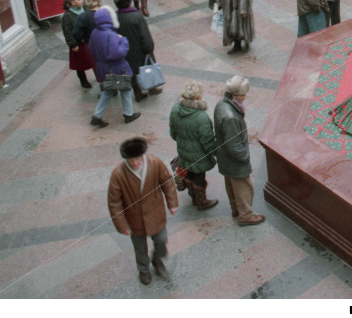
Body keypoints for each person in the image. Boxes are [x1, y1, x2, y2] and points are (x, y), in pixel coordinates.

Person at [107, 137, 177, 285]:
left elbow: (167, 182)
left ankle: (157, 259)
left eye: (137, 158)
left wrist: (172, 203)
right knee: (139, 247)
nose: (135, 162)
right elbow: (114, 203)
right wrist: (122, 225)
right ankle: (143, 269)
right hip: (134, 219)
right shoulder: (118, 174)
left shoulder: (155, 163)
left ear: (143, 155)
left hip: (155, 213)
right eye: (131, 160)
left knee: (161, 239)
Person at [213, 75, 265, 225]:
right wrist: (244, 158)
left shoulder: (221, 105)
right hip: (235, 160)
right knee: (243, 187)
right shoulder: (231, 117)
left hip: (224, 157)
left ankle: (236, 209)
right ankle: (246, 216)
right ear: (234, 95)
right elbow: (234, 146)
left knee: (230, 183)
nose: (245, 97)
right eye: (243, 94)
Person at [169, 82, 219, 211]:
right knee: (199, 176)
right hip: (199, 154)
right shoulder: (201, 117)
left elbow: (173, 132)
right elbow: (207, 141)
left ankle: (193, 197)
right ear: (198, 96)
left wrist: (183, 143)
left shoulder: (175, 109)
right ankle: (202, 201)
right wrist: (215, 152)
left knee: (189, 172)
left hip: (183, 150)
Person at [89, 6, 140, 127]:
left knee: (108, 90)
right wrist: (123, 41)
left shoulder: (95, 33)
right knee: (126, 89)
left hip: (103, 67)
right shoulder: (110, 35)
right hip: (116, 67)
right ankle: (128, 114)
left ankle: (97, 115)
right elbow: (117, 53)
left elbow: (92, 49)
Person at [114, 0, 158, 102]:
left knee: (132, 71)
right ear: (129, 2)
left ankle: (137, 92)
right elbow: (145, 35)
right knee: (148, 68)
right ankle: (152, 88)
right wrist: (149, 48)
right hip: (140, 50)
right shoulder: (136, 16)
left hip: (125, 51)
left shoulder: (115, 17)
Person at [62, 0, 95, 91]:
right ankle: (83, 80)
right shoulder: (67, 16)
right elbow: (67, 32)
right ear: (72, 2)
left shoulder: (84, 8)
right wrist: (73, 44)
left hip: (89, 40)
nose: (82, 1)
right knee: (80, 64)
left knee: (94, 59)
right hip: (78, 44)